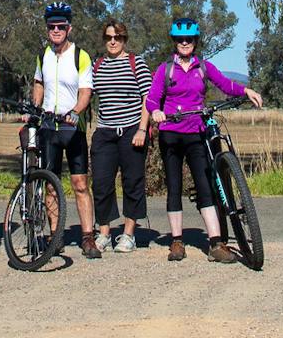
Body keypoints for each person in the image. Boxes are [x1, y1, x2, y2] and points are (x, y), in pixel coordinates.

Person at [145, 19, 265, 263]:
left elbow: (225, 84)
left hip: (196, 132)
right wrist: (156, 112)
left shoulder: (204, 67)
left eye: (189, 39)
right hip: (171, 133)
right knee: (175, 186)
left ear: (196, 41)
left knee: (205, 186)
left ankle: (216, 243)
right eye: (180, 39)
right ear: (175, 42)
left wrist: (246, 91)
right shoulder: (165, 69)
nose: (185, 43)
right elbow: (152, 98)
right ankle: (177, 242)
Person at [32, 1, 98, 258]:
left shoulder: (80, 55)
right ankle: (55, 234)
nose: (56, 30)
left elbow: (86, 91)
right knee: (50, 184)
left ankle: (87, 236)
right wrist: (35, 107)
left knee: (80, 183)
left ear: (69, 29)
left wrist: (76, 112)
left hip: (73, 127)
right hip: (49, 127)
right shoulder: (43, 56)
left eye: (61, 26)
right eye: (51, 26)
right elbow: (39, 83)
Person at [89, 18, 148, 252]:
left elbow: (148, 98)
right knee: (101, 183)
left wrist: (143, 128)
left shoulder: (137, 63)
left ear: (125, 39)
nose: (113, 41)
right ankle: (104, 232)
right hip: (105, 131)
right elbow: (86, 94)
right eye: (109, 37)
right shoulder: (97, 65)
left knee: (132, 182)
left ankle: (128, 234)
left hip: (132, 130)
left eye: (118, 37)